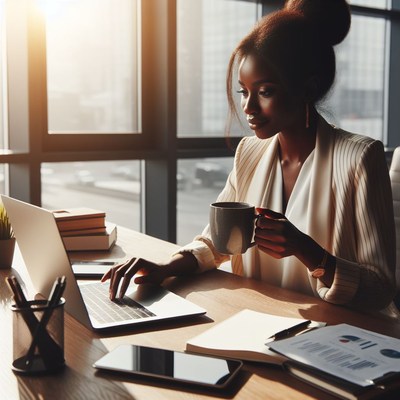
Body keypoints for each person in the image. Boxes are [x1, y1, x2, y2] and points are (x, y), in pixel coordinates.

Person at [102, 0, 396, 312]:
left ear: (307, 89)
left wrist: (307, 250)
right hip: (258, 324)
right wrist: (166, 266)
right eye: (244, 91)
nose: (248, 108)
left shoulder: (360, 158)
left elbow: (380, 289)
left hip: (334, 337)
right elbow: (216, 243)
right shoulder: (250, 152)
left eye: (265, 91)